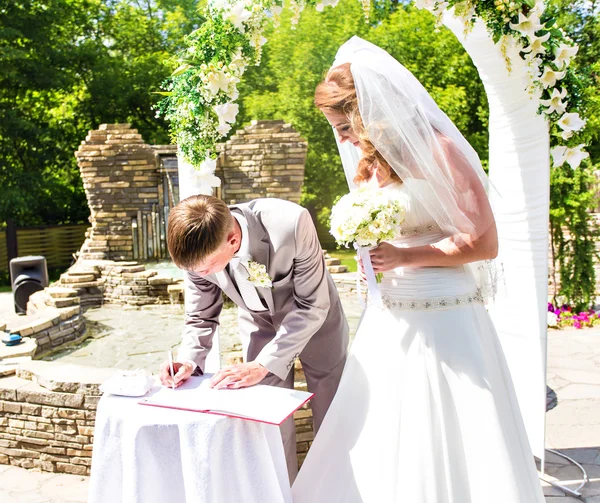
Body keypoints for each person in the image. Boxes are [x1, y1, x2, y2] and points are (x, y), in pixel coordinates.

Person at [292, 36, 545, 502]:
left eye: (344, 127)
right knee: (386, 419)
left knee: (458, 418)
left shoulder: (441, 151)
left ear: (369, 115)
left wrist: (408, 256)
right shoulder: (369, 168)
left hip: (447, 307)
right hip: (391, 311)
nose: (343, 139)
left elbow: (484, 244)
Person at [158, 194, 349, 481]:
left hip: (316, 320)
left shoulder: (291, 222)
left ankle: (335, 487)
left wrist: (264, 364)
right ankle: (282, 492)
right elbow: (201, 316)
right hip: (259, 324)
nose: (202, 275)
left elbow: (312, 305)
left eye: (207, 268)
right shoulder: (198, 254)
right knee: (268, 422)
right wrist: (188, 359)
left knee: (330, 411)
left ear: (233, 241)